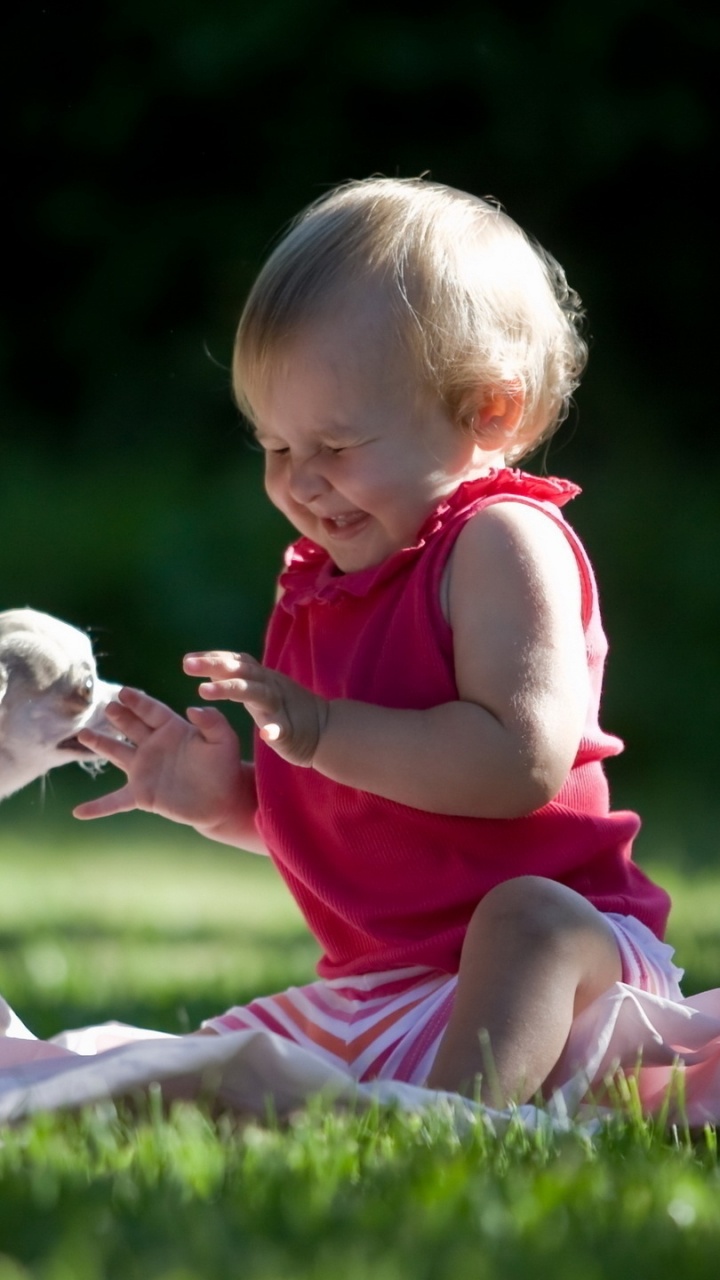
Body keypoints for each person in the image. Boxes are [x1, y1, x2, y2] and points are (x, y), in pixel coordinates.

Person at [71, 176, 681, 1105]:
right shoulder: (323, 581)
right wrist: (229, 802)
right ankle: (422, 1095)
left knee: (527, 922)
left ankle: (460, 1121)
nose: (302, 483)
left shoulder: (499, 541)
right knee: (182, 1082)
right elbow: (367, 825)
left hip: (569, 980)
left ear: (490, 412)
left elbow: (518, 762)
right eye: (275, 448)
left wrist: (318, 731)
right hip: (393, 994)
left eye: (337, 445)